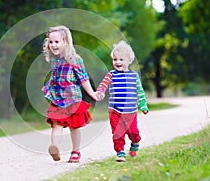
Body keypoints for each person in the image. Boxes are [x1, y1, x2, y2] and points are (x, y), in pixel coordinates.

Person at [42, 25, 101, 163]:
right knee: (56, 124)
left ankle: (76, 151)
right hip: (57, 99)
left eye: (57, 42)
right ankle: (54, 147)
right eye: (51, 42)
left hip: (72, 99)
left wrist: (92, 93)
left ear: (66, 42)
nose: (53, 45)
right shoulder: (54, 59)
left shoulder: (75, 59)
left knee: (74, 126)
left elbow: (83, 78)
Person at [96, 40, 148, 162]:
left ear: (129, 60)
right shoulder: (111, 74)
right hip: (115, 110)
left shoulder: (134, 76)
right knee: (117, 133)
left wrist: (143, 105)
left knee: (133, 133)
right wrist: (100, 92)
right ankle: (120, 153)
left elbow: (140, 92)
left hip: (131, 112)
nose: (117, 62)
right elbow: (103, 84)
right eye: (115, 59)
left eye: (121, 59)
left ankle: (135, 142)